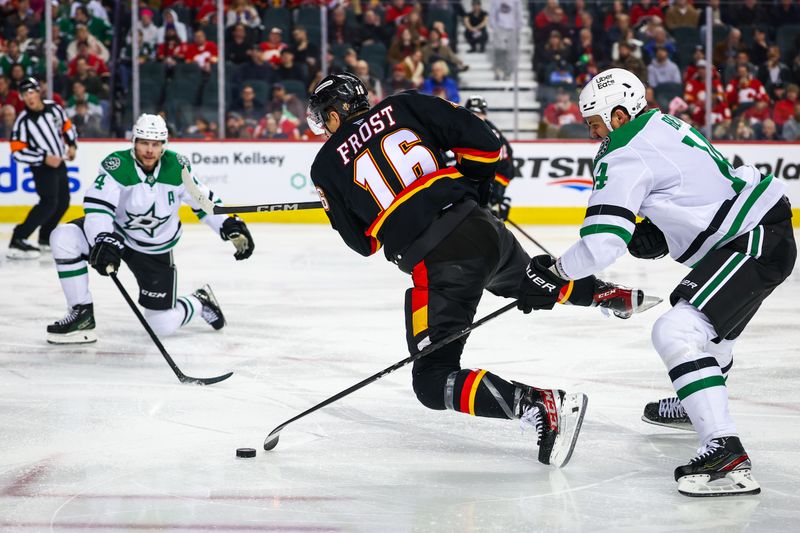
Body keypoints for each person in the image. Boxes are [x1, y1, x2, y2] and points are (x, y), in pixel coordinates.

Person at [305, 73, 659, 467]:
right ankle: (605, 294)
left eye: (324, 117)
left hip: (438, 261)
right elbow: (487, 145)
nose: (324, 126)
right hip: (479, 226)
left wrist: (348, 208)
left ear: (335, 114)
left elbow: (364, 244)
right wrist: (470, 188)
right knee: (532, 280)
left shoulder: (325, 166)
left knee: (432, 379)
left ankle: (540, 406)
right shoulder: (404, 105)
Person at [525, 68, 794, 496]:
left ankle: (726, 454)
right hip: (759, 233)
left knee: (677, 330)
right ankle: (698, 406)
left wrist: (555, 272)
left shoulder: (623, 148)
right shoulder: (662, 122)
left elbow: (601, 245)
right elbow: (690, 187)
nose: (595, 135)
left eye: (595, 124)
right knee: (712, 339)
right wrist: (662, 230)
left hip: (750, 241)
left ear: (617, 115)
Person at [45, 114, 255, 344]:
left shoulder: (177, 167)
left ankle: (199, 302)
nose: (149, 150)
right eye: (144, 142)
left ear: (163, 146)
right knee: (64, 237)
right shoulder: (117, 164)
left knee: (161, 324)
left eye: (155, 144)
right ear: (134, 141)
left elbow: (204, 202)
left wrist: (228, 223)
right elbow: (99, 206)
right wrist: (102, 238)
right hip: (118, 236)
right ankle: (81, 315)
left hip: (154, 249)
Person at [7, 77, 77, 259]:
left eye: (31, 92)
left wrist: (72, 145)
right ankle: (18, 237)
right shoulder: (23, 122)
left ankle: (45, 238)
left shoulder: (54, 108)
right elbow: (17, 151)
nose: (29, 97)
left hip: (59, 162)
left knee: (63, 202)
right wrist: (43, 158)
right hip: (42, 168)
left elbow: (67, 127)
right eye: (24, 94)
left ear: (38, 92)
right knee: (48, 203)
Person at [464, 95, 514, 222]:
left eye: (479, 113)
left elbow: (506, 166)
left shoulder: (492, 135)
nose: (475, 116)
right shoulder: (456, 130)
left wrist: (497, 189)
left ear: (485, 115)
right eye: (471, 113)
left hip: (484, 183)